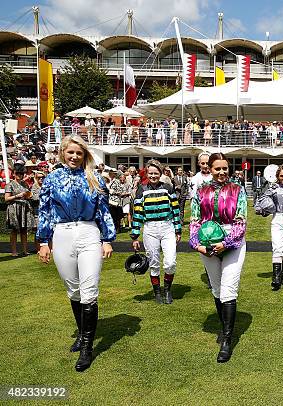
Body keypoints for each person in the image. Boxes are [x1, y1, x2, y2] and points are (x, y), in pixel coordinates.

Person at [36, 135, 115, 372]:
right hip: (62, 234)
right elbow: (45, 210)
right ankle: (82, 333)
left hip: (89, 233)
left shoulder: (94, 178)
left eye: (79, 153)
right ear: (62, 153)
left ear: (84, 156)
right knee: (73, 288)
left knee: (89, 289)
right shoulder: (51, 179)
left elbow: (103, 210)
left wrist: (108, 239)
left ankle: (87, 348)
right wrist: (42, 241)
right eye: (70, 153)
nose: (74, 157)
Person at [189, 152, 247, 363]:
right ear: (209, 169)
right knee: (216, 288)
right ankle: (224, 327)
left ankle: (227, 339)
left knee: (229, 287)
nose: (222, 172)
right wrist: (197, 244)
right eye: (217, 168)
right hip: (207, 243)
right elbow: (194, 220)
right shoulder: (200, 191)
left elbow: (241, 219)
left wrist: (227, 243)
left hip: (233, 244)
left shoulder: (238, 190)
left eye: (225, 168)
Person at [131, 160, 182, 305]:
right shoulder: (142, 189)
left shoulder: (168, 188)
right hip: (150, 228)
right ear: (147, 174)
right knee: (154, 262)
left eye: (156, 173)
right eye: (150, 173)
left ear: (160, 173)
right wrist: (135, 236)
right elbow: (138, 213)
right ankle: (157, 291)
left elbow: (175, 210)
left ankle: (167, 289)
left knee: (170, 262)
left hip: (167, 227)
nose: (153, 176)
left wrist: (178, 230)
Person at [254, 165, 283, 290]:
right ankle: (276, 277)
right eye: (281, 176)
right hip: (277, 218)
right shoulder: (272, 188)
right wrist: (262, 209)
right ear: (277, 177)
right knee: (277, 247)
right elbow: (262, 200)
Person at [4, 165, 35, 256]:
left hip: (24, 207)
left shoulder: (25, 184)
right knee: (14, 230)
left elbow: (28, 194)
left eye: (21, 173)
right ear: (14, 174)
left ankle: (24, 250)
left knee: (24, 230)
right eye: (18, 173)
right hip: (14, 207)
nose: (20, 175)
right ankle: (14, 252)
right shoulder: (9, 185)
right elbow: (6, 198)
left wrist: (28, 195)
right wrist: (18, 196)